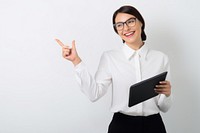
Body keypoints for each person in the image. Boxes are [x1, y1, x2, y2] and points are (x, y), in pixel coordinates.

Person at [56, 5, 172, 133]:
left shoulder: (161, 58)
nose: (126, 28)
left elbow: (164, 107)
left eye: (130, 21)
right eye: (119, 25)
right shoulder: (110, 58)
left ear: (141, 22)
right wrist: (76, 61)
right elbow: (94, 94)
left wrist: (166, 94)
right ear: (116, 30)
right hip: (122, 126)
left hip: (154, 126)